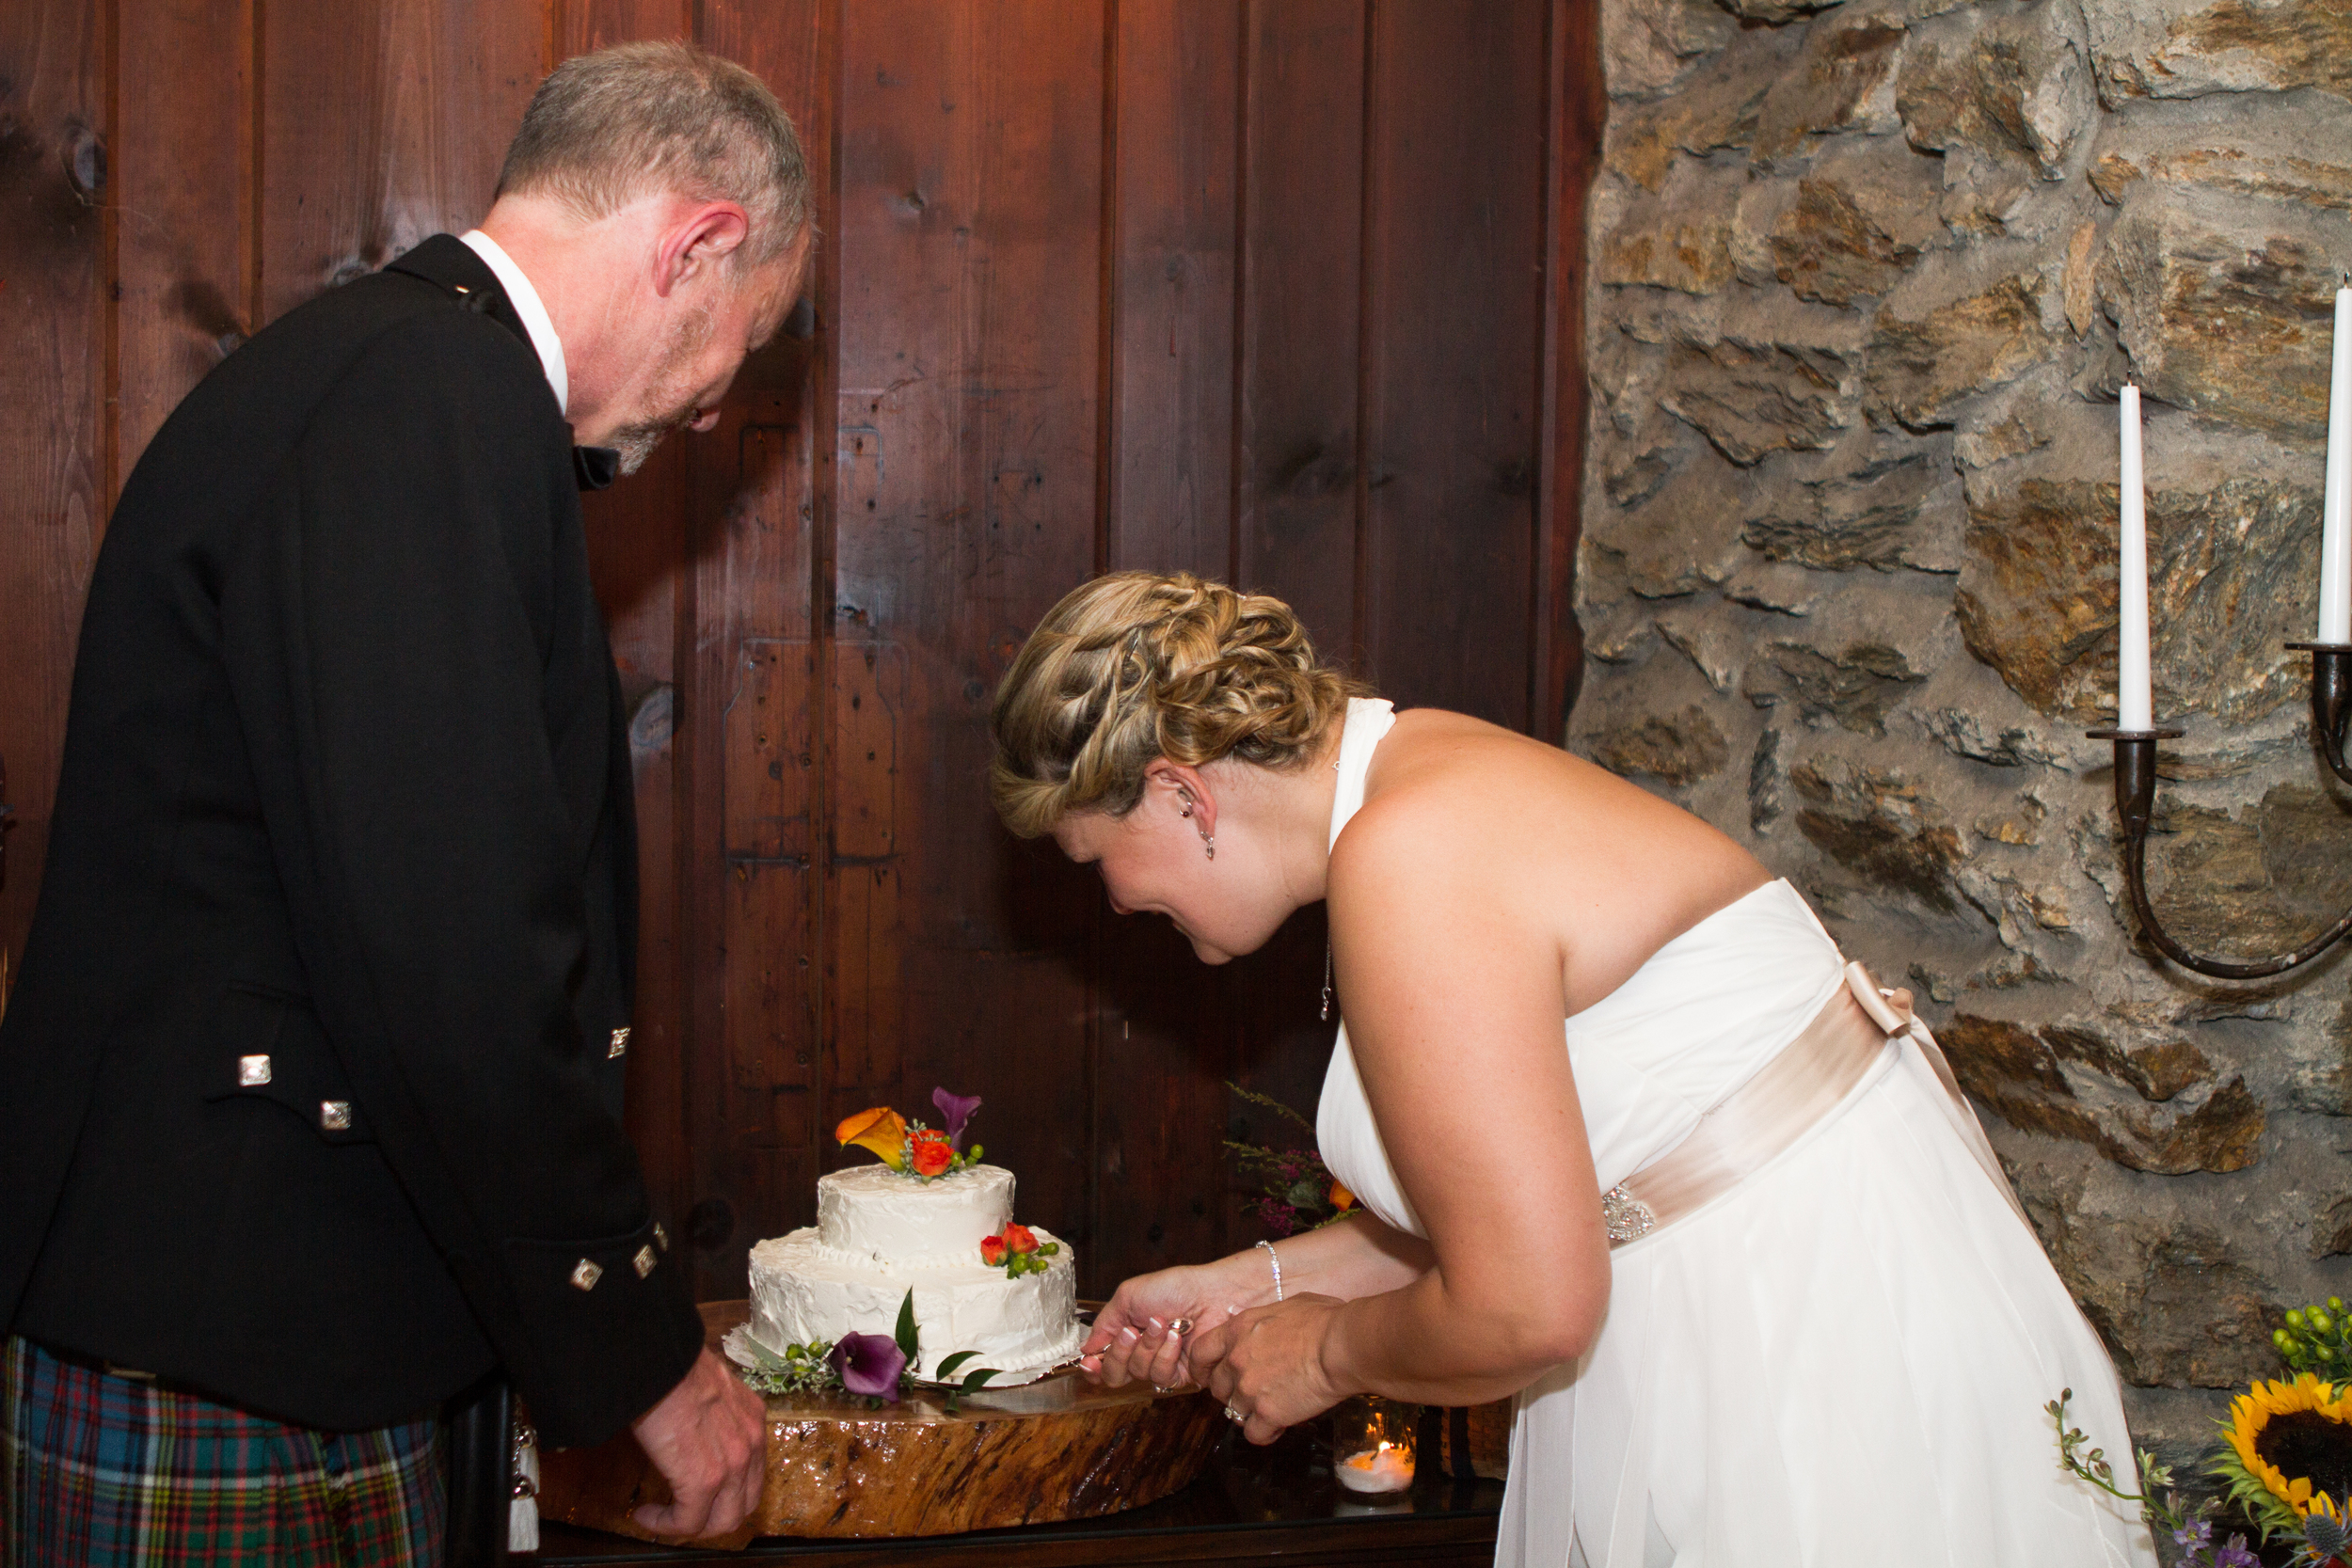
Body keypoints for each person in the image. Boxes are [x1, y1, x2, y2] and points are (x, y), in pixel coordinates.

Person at [0, 41, 807, 1562]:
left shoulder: (402, 379)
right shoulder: (428, 396)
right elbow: (456, 951)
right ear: (699, 242)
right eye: (741, 348)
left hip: (274, 1322)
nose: (711, 415)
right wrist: (640, 1348)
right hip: (246, 1350)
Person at [988, 571, 2157, 1568]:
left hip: (1799, 1350)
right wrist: (1257, 1285)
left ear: (1181, 792)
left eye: (1101, 859)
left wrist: (1326, 1352)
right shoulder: (1418, 769)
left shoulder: (1410, 854)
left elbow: (1530, 1303)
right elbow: (1552, 1183)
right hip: (1803, 1289)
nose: (1118, 900)